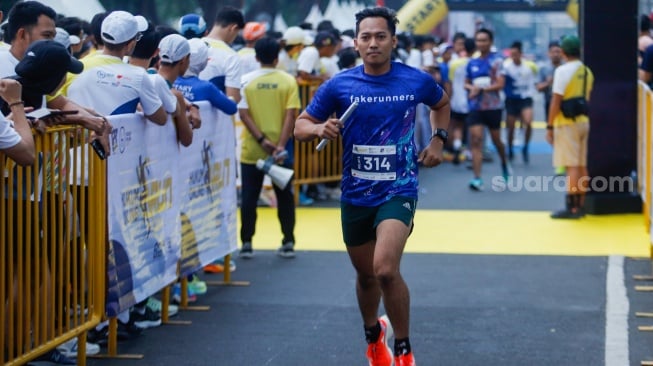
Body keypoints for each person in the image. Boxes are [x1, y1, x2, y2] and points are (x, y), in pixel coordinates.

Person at [294, 7, 450, 366]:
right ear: (356, 43)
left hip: (399, 189)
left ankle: (404, 349)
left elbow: (440, 104)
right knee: (366, 276)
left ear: (393, 41)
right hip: (355, 193)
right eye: (366, 37)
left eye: (381, 36)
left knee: (384, 269)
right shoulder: (340, 85)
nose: (373, 43)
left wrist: (438, 140)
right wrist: (319, 129)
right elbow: (301, 126)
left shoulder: (415, 80)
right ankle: (373, 334)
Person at [238, 36, 300, 259]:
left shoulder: (245, 81)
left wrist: (262, 140)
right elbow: (291, 115)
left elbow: (243, 114)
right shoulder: (288, 81)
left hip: (252, 151)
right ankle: (288, 241)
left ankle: (246, 243)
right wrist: (280, 146)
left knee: (249, 197)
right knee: (285, 197)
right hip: (281, 153)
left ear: (256, 57)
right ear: (277, 57)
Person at [546, 35, 594, 219]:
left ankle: (571, 207)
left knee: (571, 165)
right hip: (583, 121)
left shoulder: (563, 71)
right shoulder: (587, 72)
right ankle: (581, 204)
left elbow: (556, 101)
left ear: (564, 52)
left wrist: (549, 127)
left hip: (566, 123)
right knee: (582, 164)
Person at [465, 28, 510, 191]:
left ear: (490, 42)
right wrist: (472, 88)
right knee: (476, 140)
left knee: (497, 141)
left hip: (493, 107)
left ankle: (505, 163)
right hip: (475, 107)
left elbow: (500, 84)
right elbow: (466, 82)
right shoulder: (471, 62)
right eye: (478, 40)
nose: (481, 43)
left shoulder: (497, 61)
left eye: (484, 40)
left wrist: (483, 89)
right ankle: (477, 178)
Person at [501, 40, 538, 164]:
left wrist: (531, 94)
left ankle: (525, 147)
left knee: (528, 122)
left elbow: (532, 84)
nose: (513, 56)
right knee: (510, 127)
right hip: (511, 100)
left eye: (516, 54)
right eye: (512, 54)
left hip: (525, 99)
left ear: (521, 53)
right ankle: (510, 148)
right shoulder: (505, 67)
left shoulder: (529, 67)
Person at [199, 6, 244, 103]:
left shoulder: (192, 46)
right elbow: (233, 98)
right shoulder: (231, 56)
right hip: (215, 115)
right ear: (233, 28)